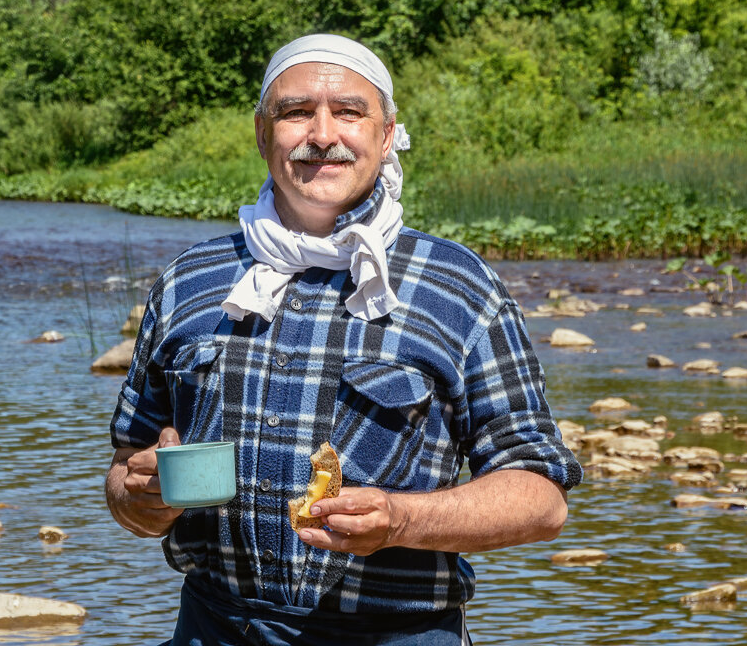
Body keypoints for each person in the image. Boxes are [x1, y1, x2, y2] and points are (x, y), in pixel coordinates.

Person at [105, 33, 582, 645]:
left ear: (386, 137)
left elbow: (541, 499)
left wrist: (402, 519)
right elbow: (126, 466)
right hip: (210, 628)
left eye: (349, 113)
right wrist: (137, 498)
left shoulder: (459, 286)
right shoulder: (189, 281)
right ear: (261, 133)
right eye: (296, 112)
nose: (323, 134)